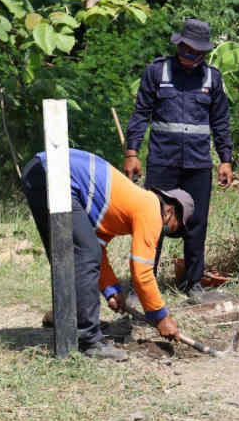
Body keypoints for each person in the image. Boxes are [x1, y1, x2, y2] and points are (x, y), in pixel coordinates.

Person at [21, 148, 193, 361]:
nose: (164, 233)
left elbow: (97, 251)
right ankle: (89, 341)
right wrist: (160, 317)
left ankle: (67, 320)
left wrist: (112, 289)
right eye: (172, 228)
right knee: (84, 253)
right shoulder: (151, 208)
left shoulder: (121, 210)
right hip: (53, 173)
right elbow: (142, 273)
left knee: (71, 256)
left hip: (40, 171)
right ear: (169, 212)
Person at [123, 18, 233, 298]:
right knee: (152, 220)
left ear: (204, 53)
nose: (189, 56)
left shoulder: (213, 78)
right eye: (185, 50)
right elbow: (140, 113)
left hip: (198, 164)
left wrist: (225, 159)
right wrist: (132, 152)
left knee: (196, 224)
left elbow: (221, 122)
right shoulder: (157, 71)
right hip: (162, 162)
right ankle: (143, 285)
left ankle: (193, 284)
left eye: (196, 53)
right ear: (178, 45)